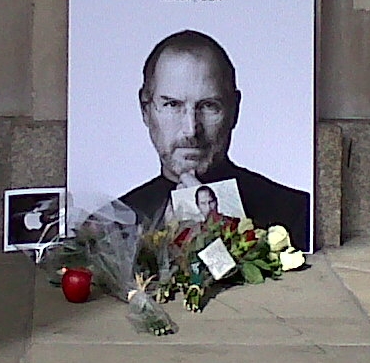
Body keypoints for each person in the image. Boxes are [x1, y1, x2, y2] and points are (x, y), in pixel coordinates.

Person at [119, 29, 311, 251]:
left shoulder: (297, 214)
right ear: (145, 110)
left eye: (209, 106)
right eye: (172, 105)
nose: (191, 130)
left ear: (234, 110)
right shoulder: (110, 226)